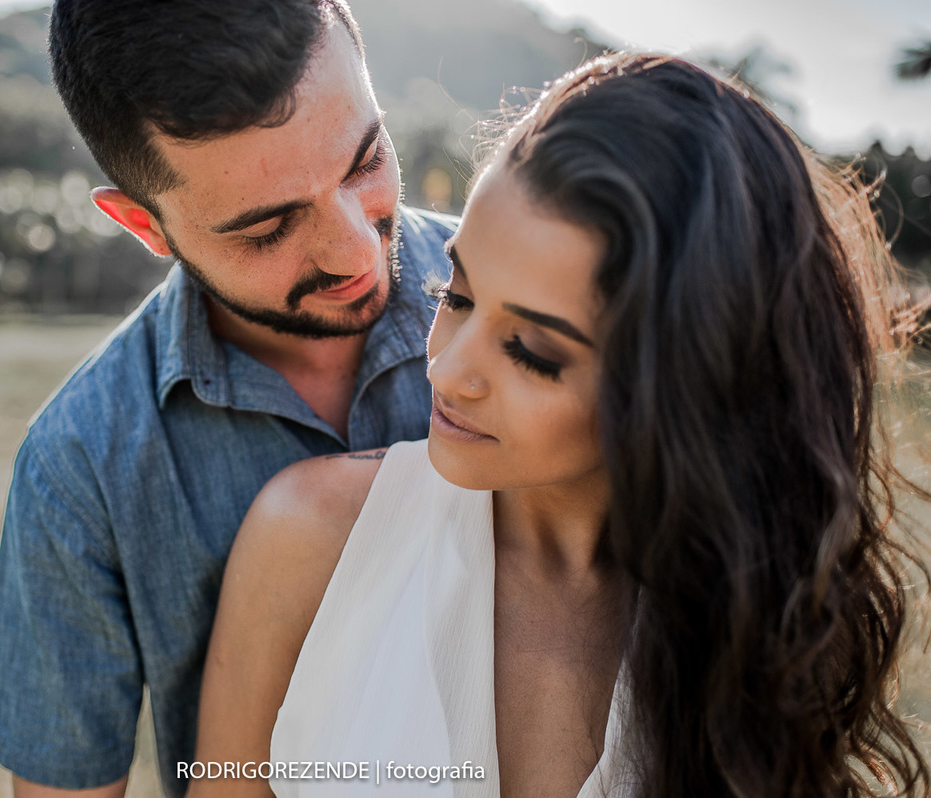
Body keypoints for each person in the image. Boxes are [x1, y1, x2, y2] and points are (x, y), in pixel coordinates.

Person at [193, 53, 931, 797]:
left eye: (531, 352)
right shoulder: (309, 540)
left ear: (680, 385)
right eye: (457, 294)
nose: (447, 372)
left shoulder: (755, 624)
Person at [0, 1, 458, 795]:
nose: (355, 250)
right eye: (268, 228)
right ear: (144, 224)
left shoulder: (558, 304)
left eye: (366, 159)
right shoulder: (78, 467)